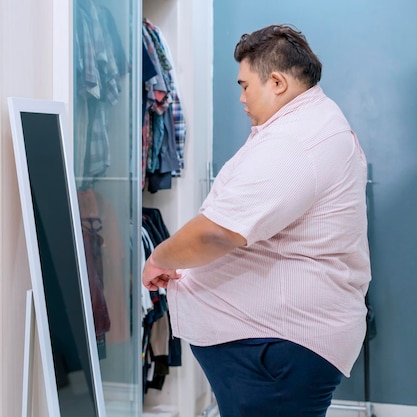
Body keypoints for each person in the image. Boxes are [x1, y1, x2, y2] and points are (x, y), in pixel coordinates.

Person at [142, 24, 371, 417]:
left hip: (275, 347)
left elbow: (217, 233)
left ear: (277, 82)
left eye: (246, 85)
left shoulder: (296, 142)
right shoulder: (309, 123)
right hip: (271, 346)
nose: (242, 97)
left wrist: (160, 258)